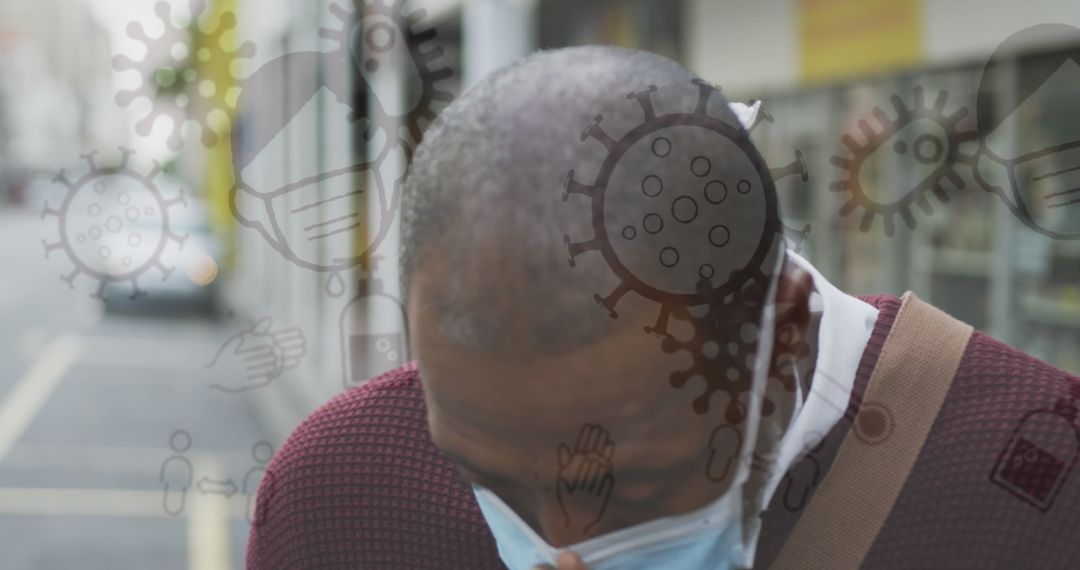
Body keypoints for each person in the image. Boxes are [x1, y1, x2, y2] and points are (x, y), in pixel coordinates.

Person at [245, 47, 1080, 570]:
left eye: (633, 486)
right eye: (486, 479)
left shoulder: (1046, 492)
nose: (558, 552)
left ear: (787, 332)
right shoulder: (338, 501)